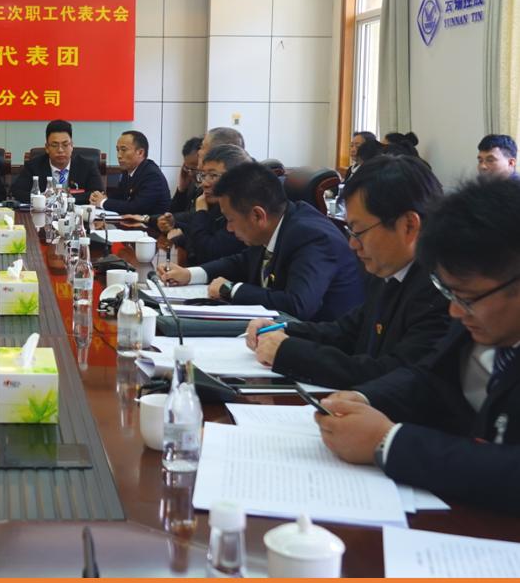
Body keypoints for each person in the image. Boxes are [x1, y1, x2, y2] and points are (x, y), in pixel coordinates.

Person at [316, 177, 520, 513]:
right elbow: (430, 376)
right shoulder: (477, 316)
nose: (455, 312)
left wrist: (388, 442)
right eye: (449, 294)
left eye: (467, 299)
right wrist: (366, 397)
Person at [243, 155, 450, 388]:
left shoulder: (443, 289)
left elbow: (394, 375)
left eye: (358, 231)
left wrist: (289, 353)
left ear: (409, 225)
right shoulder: (389, 270)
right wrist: (282, 328)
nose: (352, 244)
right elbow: (347, 331)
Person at [157, 162, 364, 321]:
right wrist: (190, 274)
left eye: (230, 220)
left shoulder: (312, 237)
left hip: (320, 348)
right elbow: (242, 261)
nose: (228, 228)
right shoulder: (277, 223)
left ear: (258, 215)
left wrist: (231, 289)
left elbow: (297, 304)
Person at [167, 144, 249, 265]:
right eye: (204, 175)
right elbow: (196, 241)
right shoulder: (215, 204)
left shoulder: (243, 211)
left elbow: (207, 254)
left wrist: (201, 212)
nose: (204, 184)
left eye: (213, 176)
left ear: (236, 178)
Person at [157, 126, 244, 234]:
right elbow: (191, 221)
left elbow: (210, 238)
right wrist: (182, 190)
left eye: (202, 147)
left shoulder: (236, 194)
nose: (199, 152)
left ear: (218, 151)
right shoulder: (199, 178)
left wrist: (181, 237)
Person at [9, 119, 105, 205]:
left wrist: (65, 197)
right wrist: (42, 197)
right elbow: (16, 192)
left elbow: (97, 194)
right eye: (55, 145)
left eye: (65, 145)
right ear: (47, 148)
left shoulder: (87, 166)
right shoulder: (33, 166)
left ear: (72, 146)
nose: (60, 150)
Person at [89, 130, 171, 216]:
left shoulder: (152, 175)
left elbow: (136, 208)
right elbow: (119, 197)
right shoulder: (128, 171)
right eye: (118, 150)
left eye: (123, 150)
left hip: (151, 223)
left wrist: (103, 202)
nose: (119, 155)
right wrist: (100, 198)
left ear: (140, 152)